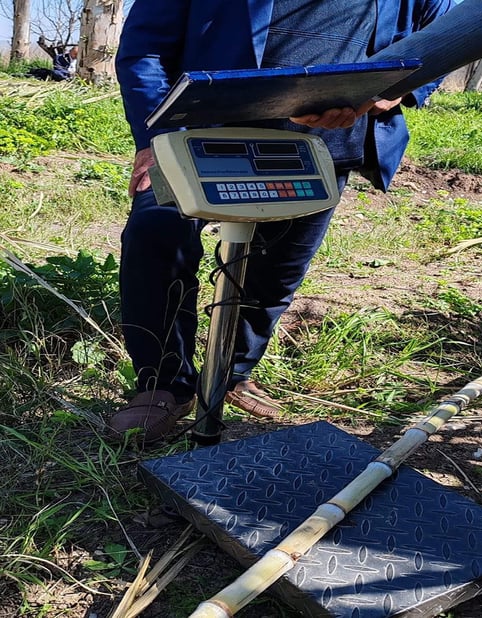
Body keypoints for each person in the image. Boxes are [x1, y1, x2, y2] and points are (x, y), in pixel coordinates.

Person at [107, 0, 454, 443]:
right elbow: (145, 49)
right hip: (199, 135)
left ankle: (231, 372)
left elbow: (448, 33)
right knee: (155, 238)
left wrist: (400, 90)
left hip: (324, 143)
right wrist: (156, 132)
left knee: (277, 269)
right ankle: (162, 384)